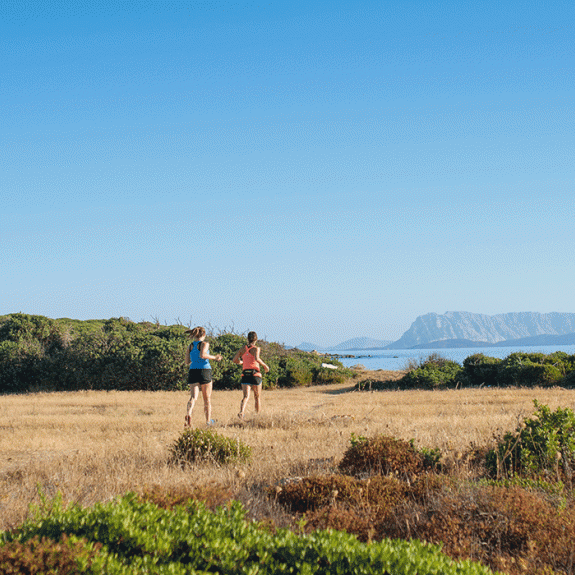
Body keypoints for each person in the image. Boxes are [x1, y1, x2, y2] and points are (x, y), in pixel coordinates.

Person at [184, 326, 222, 427]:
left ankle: (188, 413)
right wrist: (215, 357)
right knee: (207, 398)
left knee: (193, 397)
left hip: (193, 371)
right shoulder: (205, 343)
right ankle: (208, 421)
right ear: (204, 334)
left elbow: (187, 361)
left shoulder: (190, 346)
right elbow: (203, 355)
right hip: (204, 370)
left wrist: (194, 358)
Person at [233, 331, 270, 419]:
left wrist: (241, 362)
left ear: (248, 339)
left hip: (245, 374)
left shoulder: (243, 348)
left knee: (246, 396)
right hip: (255, 374)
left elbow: (234, 359)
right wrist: (265, 365)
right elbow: (257, 358)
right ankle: (257, 416)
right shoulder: (256, 349)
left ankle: (241, 412)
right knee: (257, 397)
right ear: (256, 339)